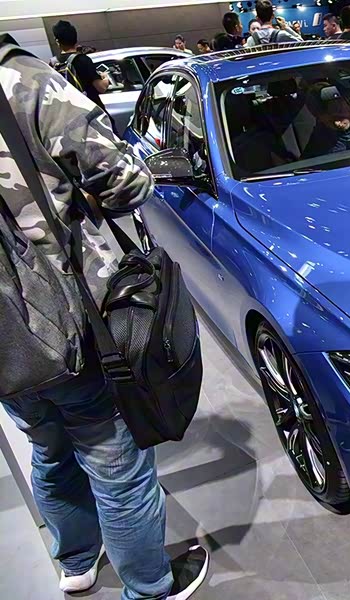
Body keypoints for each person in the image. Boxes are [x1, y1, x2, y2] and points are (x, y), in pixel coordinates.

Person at [0, 34, 209, 600]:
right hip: (70, 320)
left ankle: (76, 561)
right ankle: (149, 587)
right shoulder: (23, 82)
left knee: (49, 448)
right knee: (115, 464)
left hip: (7, 347)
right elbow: (125, 182)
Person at [51, 21, 109, 114]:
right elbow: (101, 88)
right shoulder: (83, 60)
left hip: (70, 112)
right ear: (75, 39)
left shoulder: (53, 63)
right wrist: (105, 78)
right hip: (91, 110)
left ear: (57, 41)